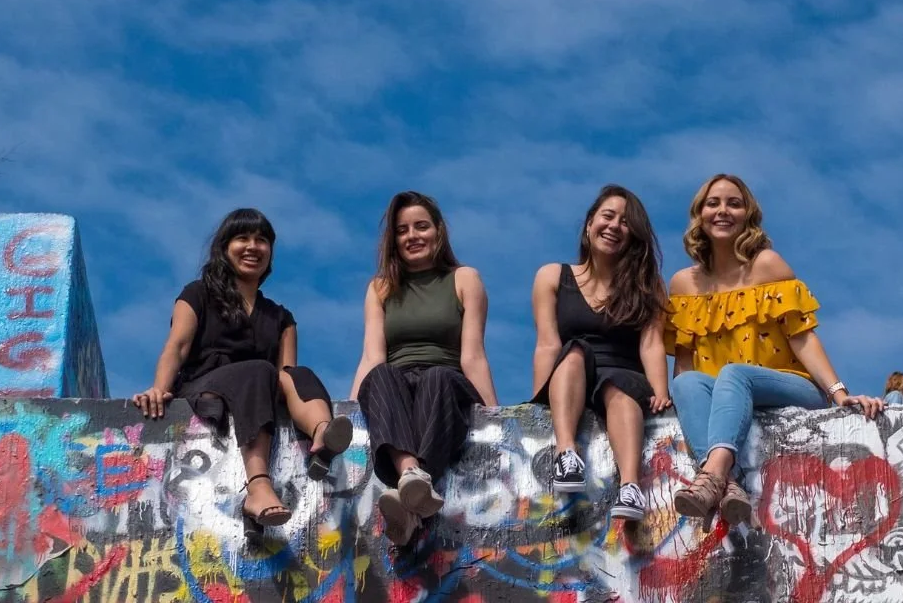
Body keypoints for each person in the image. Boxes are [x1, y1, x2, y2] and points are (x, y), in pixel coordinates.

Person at [665, 174, 885, 528]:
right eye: (713, 203)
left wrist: (839, 394)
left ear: (748, 215)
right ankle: (729, 485)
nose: (723, 211)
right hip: (723, 395)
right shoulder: (682, 284)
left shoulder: (767, 265)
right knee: (687, 382)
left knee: (733, 373)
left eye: (733, 203)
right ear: (699, 215)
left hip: (789, 385)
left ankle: (714, 475)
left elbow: (802, 337)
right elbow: (685, 362)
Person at [132, 208, 353, 539]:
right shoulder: (198, 293)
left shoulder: (281, 318)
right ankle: (258, 487)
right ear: (224, 247)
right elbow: (177, 346)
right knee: (258, 371)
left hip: (258, 393)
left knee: (296, 373)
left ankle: (322, 434)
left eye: (262, 240)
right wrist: (159, 388)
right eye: (243, 238)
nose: (253, 246)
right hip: (206, 388)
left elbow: (285, 378)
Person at [350, 191, 500, 546]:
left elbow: (473, 355)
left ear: (438, 231)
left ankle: (411, 493)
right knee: (382, 376)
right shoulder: (380, 288)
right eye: (402, 230)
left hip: (447, 383)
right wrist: (349, 413)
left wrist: (497, 415)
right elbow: (372, 357)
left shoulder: (464, 279)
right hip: (398, 384)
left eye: (421, 226)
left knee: (436, 377)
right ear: (393, 240)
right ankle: (411, 478)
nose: (412, 236)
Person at [530, 185, 673, 522]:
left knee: (618, 389)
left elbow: (651, 343)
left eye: (625, 222)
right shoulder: (552, 276)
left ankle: (631, 487)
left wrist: (661, 391)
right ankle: (567, 454)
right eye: (607, 216)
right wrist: (536, 402)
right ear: (589, 223)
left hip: (624, 375)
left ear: (634, 236)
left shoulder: (648, 285)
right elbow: (548, 343)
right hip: (573, 371)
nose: (614, 226)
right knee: (574, 353)